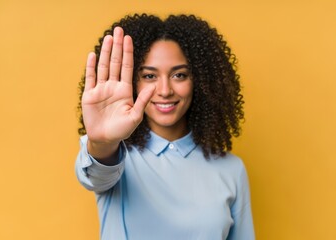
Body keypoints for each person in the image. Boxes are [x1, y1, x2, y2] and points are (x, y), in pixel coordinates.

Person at [75, 13, 255, 240]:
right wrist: (102, 141)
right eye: (149, 76)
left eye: (179, 75)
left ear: (199, 80)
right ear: (132, 82)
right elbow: (96, 174)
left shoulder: (231, 170)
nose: (165, 90)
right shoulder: (115, 155)